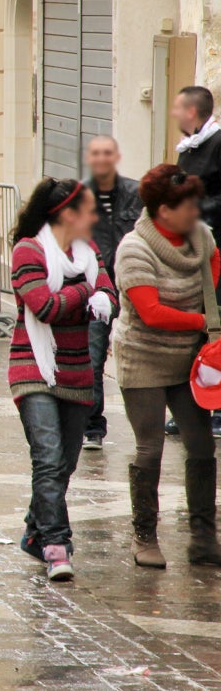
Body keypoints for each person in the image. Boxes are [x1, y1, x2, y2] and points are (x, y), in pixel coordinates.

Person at [110, 165, 221, 569]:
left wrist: (207, 325)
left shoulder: (202, 238)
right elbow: (152, 312)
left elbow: (210, 278)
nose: (196, 210)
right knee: (150, 447)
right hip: (143, 358)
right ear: (162, 210)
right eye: (186, 204)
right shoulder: (134, 248)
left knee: (201, 444)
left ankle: (204, 538)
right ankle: (145, 537)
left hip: (188, 359)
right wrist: (205, 323)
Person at [8, 176, 115, 584]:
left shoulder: (89, 254)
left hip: (77, 371)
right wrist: (87, 294)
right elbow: (44, 307)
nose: (95, 218)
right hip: (32, 367)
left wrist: (91, 295)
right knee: (48, 458)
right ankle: (56, 547)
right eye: (88, 210)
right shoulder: (27, 251)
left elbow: (112, 301)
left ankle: (35, 531)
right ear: (68, 214)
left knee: (64, 465)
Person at [85, 135, 140, 450]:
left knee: (149, 356)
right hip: (97, 288)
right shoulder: (79, 196)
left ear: (116, 156)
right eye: (96, 153)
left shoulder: (136, 194)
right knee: (93, 356)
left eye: (108, 153)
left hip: (134, 285)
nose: (102, 159)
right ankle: (93, 426)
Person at [174, 85, 221, 236]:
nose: (173, 114)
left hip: (211, 237)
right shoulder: (190, 144)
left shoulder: (218, 143)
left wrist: (195, 209)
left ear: (191, 112)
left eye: (177, 108)